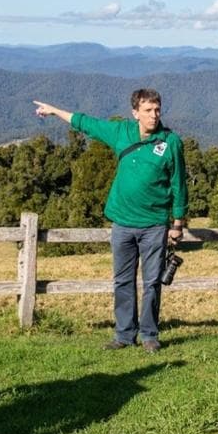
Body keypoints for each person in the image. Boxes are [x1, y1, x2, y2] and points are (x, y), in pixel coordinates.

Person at [33, 89, 187, 352]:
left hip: (154, 224)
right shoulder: (121, 133)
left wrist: (177, 223)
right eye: (148, 110)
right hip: (122, 223)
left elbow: (178, 183)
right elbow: (87, 123)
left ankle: (149, 335)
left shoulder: (171, 142)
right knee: (123, 281)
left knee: (152, 282)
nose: (154, 115)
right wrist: (55, 110)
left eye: (157, 109)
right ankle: (124, 335)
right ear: (135, 113)